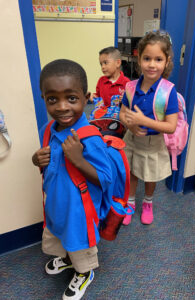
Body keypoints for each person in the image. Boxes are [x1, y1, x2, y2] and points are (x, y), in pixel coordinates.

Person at [32, 59, 113, 300]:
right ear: (44, 98)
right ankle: (67, 260)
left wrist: (78, 159)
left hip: (79, 210)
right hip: (56, 203)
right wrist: (37, 161)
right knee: (59, 235)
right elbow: (51, 164)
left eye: (72, 98)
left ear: (86, 97)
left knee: (79, 243)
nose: (62, 107)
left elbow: (105, 180)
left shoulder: (89, 138)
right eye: (52, 99)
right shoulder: (48, 130)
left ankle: (85, 272)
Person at [119, 30, 179, 226]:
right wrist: (131, 124)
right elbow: (122, 112)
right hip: (131, 139)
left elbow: (170, 127)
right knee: (133, 172)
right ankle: (129, 203)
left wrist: (142, 120)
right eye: (147, 58)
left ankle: (148, 203)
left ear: (167, 61)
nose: (152, 64)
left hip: (153, 143)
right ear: (139, 59)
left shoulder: (168, 91)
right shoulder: (130, 87)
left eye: (158, 59)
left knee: (150, 175)